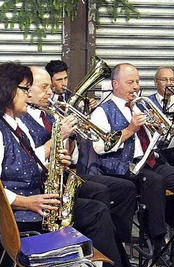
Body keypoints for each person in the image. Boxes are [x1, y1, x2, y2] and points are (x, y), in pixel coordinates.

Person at [0, 62, 154, 267]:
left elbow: (23, 158)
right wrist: (27, 202)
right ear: (8, 91)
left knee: (97, 205)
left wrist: (53, 158)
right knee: (96, 213)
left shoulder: (13, 124)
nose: (29, 94)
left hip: (31, 204)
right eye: (25, 89)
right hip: (12, 215)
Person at [80, 63, 174, 257]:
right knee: (154, 183)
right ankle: (158, 242)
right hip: (122, 166)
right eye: (130, 82)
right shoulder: (102, 111)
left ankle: (166, 221)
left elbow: (159, 139)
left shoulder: (141, 105)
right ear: (115, 85)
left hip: (150, 161)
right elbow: (100, 147)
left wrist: (159, 129)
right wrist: (129, 130)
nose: (136, 87)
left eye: (137, 81)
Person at [20, 66, 137, 244]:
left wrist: (71, 137)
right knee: (99, 193)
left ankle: (117, 243)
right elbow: (29, 159)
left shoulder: (49, 115)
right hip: (43, 182)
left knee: (125, 188)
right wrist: (61, 136)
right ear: (27, 90)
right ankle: (94, 245)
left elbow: (69, 156)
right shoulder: (21, 118)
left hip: (60, 175)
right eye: (45, 87)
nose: (50, 93)